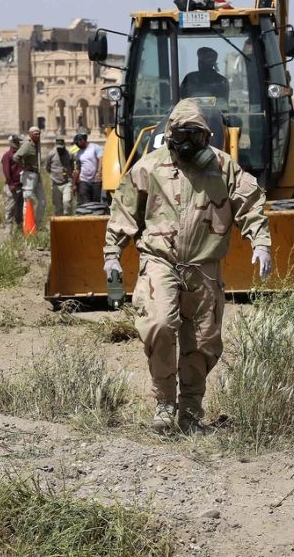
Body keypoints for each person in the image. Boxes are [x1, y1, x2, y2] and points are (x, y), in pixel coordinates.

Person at [104, 99, 273, 433]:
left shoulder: (223, 167)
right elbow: (123, 210)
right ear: (170, 132)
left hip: (204, 267)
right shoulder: (148, 167)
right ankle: (165, 404)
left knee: (203, 341)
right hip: (159, 261)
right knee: (159, 325)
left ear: (206, 135)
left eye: (195, 134)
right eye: (182, 133)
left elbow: (250, 203)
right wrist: (112, 253)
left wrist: (261, 242)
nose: (188, 141)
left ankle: (191, 411)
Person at [12, 127, 46, 228]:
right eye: (35, 134)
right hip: (29, 176)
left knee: (42, 201)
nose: (38, 136)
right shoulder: (27, 145)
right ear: (30, 134)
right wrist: (23, 166)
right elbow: (15, 157)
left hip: (37, 175)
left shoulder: (37, 145)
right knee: (28, 200)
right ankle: (27, 226)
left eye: (39, 134)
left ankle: (38, 224)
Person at [72, 132, 103, 205]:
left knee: (96, 202)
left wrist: (99, 171)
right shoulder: (78, 153)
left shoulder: (95, 147)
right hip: (84, 181)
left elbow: (101, 159)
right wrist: (74, 184)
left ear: (82, 141)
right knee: (85, 203)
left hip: (95, 180)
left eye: (77, 143)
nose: (77, 145)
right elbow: (77, 169)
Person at [46, 136, 74, 216]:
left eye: (61, 148)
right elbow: (48, 168)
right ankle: (59, 226)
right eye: (58, 148)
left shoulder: (69, 154)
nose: (60, 150)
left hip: (67, 183)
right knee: (58, 207)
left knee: (67, 203)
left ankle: (68, 222)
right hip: (55, 183)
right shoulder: (51, 154)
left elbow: (72, 167)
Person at [1, 134, 23, 230]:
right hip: (12, 186)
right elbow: (6, 171)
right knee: (11, 207)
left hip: (20, 185)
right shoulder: (7, 155)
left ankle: (19, 226)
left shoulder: (20, 154)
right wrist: (11, 184)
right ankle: (8, 227)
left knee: (20, 207)